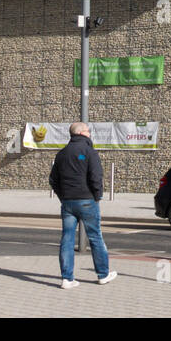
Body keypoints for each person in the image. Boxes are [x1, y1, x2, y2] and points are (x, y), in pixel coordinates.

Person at [49, 121, 117, 289]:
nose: (90, 134)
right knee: (95, 236)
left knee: (67, 238)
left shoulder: (62, 153)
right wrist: (97, 196)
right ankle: (103, 274)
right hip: (87, 200)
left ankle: (67, 278)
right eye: (88, 131)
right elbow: (96, 176)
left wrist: (63, 196)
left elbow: (53, 180)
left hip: (67, 202)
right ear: (81, 133)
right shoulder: (89, 151)